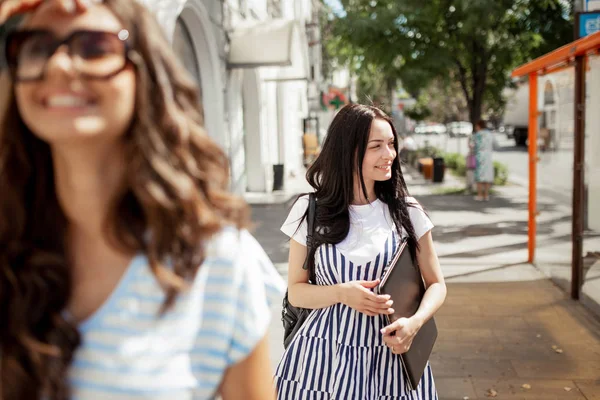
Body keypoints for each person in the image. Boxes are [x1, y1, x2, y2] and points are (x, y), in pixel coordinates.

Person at [0, 0, 284, 399]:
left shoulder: (217, 262)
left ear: (146, 74)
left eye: (95, 47)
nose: (60, 66)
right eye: (37, 46)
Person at [275, 104, 446, 399]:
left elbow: (437, 285)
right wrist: (342, 293)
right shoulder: (309, 211)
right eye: (376, 146)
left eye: (392, 144)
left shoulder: (408, 212)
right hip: (322, 356)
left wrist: (414, 324)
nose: (389, 155)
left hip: (390, 359)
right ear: (348, 151)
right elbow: (296, 291)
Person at [471, 120, 494, 201]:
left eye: (476, 126)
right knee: (487, 175)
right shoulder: (490, 134)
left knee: (480, 176)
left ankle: (480, 195)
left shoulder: (477, 135)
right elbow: (495, 144)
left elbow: (472, 145)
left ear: (479, 126)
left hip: (480, 156)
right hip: (488, 156)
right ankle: (486, 195)